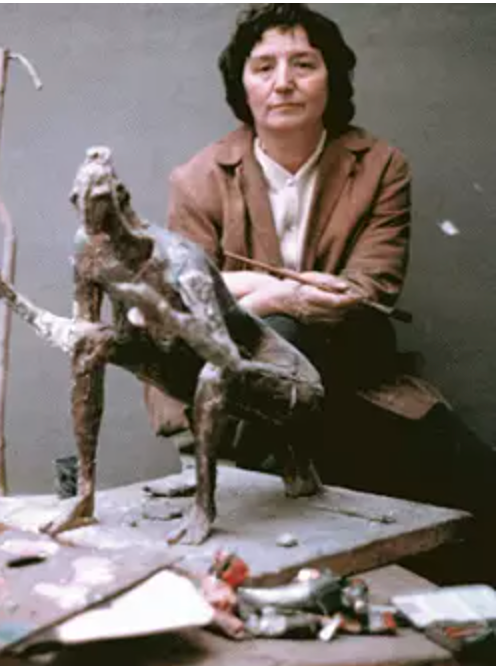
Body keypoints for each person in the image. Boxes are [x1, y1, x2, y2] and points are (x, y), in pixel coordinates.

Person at [144, 3, 495, 529]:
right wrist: (280, 295)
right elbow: (183, 304)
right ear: (243, 86)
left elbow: (368, 288)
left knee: (480, 489)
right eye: (264, 67)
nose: (283, 83)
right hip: (229, 392)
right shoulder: (197, 179)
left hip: (350, 379)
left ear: (332, 79)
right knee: (278, 332)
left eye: (304, 65)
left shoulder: (380, 167)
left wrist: (249, 292)